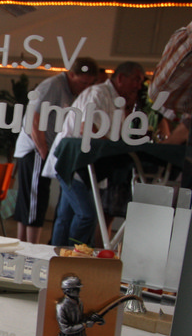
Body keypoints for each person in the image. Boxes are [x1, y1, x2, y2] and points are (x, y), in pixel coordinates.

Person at [43, 61, 145, 247]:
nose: (139, 86)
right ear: (121, 78)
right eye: (136, 80)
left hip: (86, 165)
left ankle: (57, 254)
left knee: (65, 216)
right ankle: (74, 254)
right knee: (86, 215)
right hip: (74, 163)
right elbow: (87, 128)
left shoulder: (117, 101)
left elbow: (116, 135)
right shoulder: (99, 93)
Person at [12, 58, 98, 244]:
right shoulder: (54, 85)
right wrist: (43, 151)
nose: (85, 88)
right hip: (35, 149)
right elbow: (33, 119)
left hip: (44, 149)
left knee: (31, 200)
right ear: (71, 75)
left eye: (89, 84)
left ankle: (23, 245)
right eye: (83, 83)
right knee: (36, 201)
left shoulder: (71, 91)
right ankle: (31, 248)